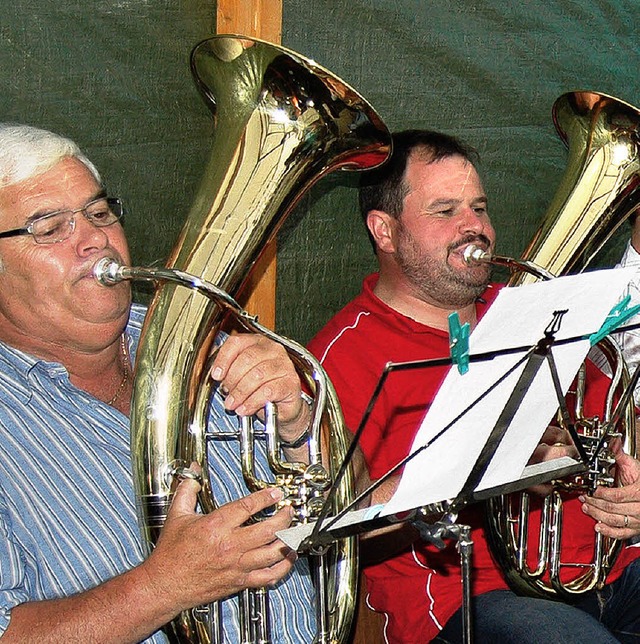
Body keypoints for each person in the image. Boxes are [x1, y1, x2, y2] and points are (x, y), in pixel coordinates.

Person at [308, 129, 640, 643]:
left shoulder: (534, 310)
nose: (475, 228)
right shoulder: (339, 357)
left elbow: (615, 427)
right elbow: (335, 524)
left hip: (614, 572)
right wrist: (489, 460)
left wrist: (631, 486)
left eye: (479, 208)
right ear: (385, 231)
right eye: (445, 212)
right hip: (468, 601)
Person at [0, 123, 318, 643]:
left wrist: (298, 428)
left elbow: (344, 523)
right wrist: (167, 585)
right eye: (50, 227)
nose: (95, 238)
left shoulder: (199, 341)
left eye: (99, 213)